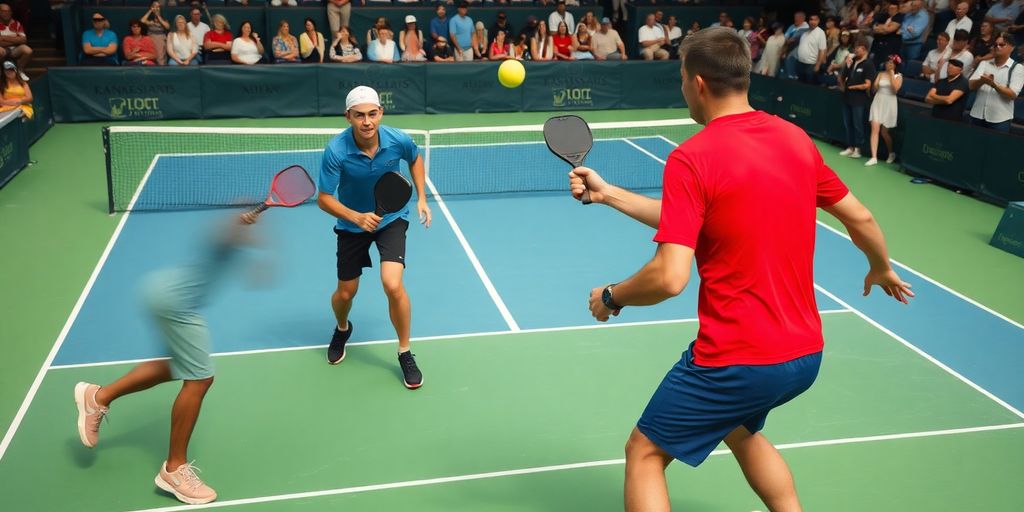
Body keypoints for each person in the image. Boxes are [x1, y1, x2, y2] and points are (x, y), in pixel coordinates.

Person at [567, 27, 912, 512]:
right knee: (738, 430)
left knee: (644, 452)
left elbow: (670, 277)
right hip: (804, 354)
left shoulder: (692, 158)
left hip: (737, 357)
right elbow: (861, 217)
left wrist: (612, 297)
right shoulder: (795, 139)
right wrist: (880, 268)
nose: (682, 87)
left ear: (699, 83)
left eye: (682, 78)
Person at [74, 210, 264, 506]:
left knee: (177, 365)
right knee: (200, 378)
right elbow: (217, 233)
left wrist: (245, 237)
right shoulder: (226, 230)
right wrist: (234, 224)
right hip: (178, 306)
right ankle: (174, 470)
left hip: (163, 292)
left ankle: (97, 397)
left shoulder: (236, 238)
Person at [317, 86, 431, 390]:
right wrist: (356, 217)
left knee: (393, 284)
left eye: (372, 114)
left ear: (380, 113)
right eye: (359, 115)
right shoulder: (336, 151)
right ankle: (342, 328)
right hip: (352, 225)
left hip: (391, 219)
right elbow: (324, 199)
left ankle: (405, 351)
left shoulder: (397, 139)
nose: (367, 121)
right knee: (345, 294)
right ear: (348, 117)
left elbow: (415, 159)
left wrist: (421, 197)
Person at [969, 33, 1024, 132]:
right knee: (972, 146)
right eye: (995, 45)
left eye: (1002, 45)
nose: (997, 47)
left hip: (1000, 119)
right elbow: (970, 86)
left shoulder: (1017, 68)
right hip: (977, 114)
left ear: (1011, 48)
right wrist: (982, 81)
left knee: (996, 147)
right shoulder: (984, 63)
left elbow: (1013, 94)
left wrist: (993, 85)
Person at [839, 37, 875, 158]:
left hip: (859, 100)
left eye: (857, 48)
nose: (854, 50)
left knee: (857, 124)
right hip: (847, 97)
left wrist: (853, 87)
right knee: (847, 123)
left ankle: (858, 150)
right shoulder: (852, 62)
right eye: (854, 48)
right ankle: (850, 147)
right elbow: (842, 77)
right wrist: (846, 64)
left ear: (864, 49)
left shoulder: (869, 64)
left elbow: (867, 85)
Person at [867, 54, 902, 166]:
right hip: (878, 101)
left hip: (889, 103)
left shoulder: (899, 76)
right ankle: (874, 157)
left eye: (891, 63)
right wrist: (875, 85)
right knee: (874, 129)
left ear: (895, 65)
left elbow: (895, 89)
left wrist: (891, 75)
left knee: (884, 132)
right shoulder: (880, 74)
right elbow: (874, 89)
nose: (888, 65)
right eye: (887, 63)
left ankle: (891, 153)